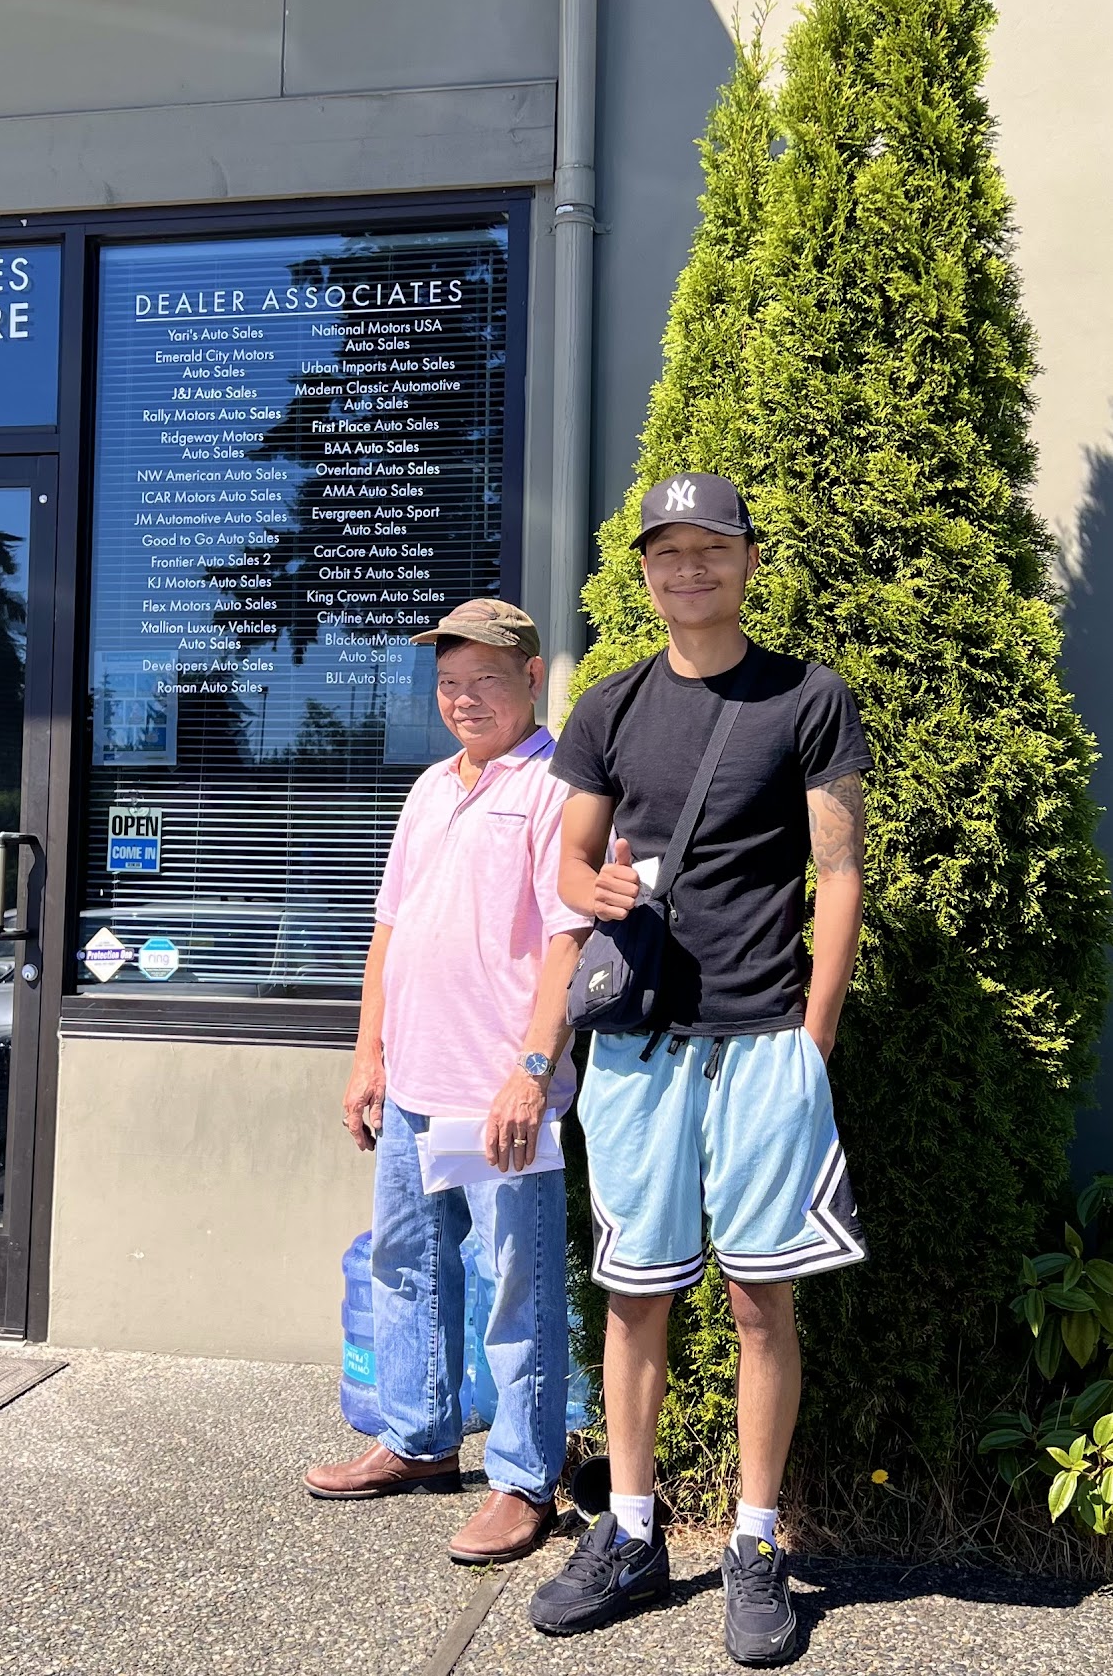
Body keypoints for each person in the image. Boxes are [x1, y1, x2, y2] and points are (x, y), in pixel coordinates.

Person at [529, 475, 870, 1668]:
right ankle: (630, 1532)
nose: (689, 568)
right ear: (645, 570)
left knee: (759, 1298)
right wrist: (597, 885)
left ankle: (756, 1541)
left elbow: (839, 870)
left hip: (764, 1038)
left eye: (710, 548)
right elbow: (568, 867)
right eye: (667, 551)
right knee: (636, 1294)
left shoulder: (808, 696)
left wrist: (814, 1032)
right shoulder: (610, 704)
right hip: (638, 1044)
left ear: (749, 560)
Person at [304, 599, 591, 1564]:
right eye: (449, 684)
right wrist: (368, 1054)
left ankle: (522, 1479)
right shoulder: (430, 788)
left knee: (518, 1287)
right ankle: (419, 1439)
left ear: (532, 679)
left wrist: (531, 1070)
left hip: (499, 1092)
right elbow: (388, 928)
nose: (464, 700)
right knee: (407, 1264)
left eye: (485, 681)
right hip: (415, 1082)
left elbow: (569, 941)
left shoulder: (557, 786)